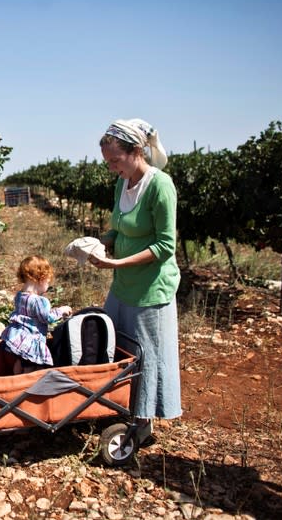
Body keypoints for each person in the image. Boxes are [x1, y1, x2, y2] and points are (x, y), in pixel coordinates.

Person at [87, 118, 182, 444]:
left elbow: (165, 245)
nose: (112, 168)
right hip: (123, 284)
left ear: (136, 151)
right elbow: (118, 225)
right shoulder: (121, 183)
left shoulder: (160, 186)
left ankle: (142, 424)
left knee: (146, 354)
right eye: (108, 162)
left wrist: (118, 262)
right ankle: (121, 407)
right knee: (117, 345)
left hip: (150, 288)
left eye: (116, 160)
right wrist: (102, 243)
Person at [1, 255, 72, 374]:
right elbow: (47, 317)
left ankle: (14, 383)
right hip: (31, 340)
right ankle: (28, 389)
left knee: (20, 362)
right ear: (41, 279)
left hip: (18, 337)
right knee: (34, 368)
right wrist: (61, 310)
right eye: (48, 282)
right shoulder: (40, 301)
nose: (48, 285)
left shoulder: (20, 295)